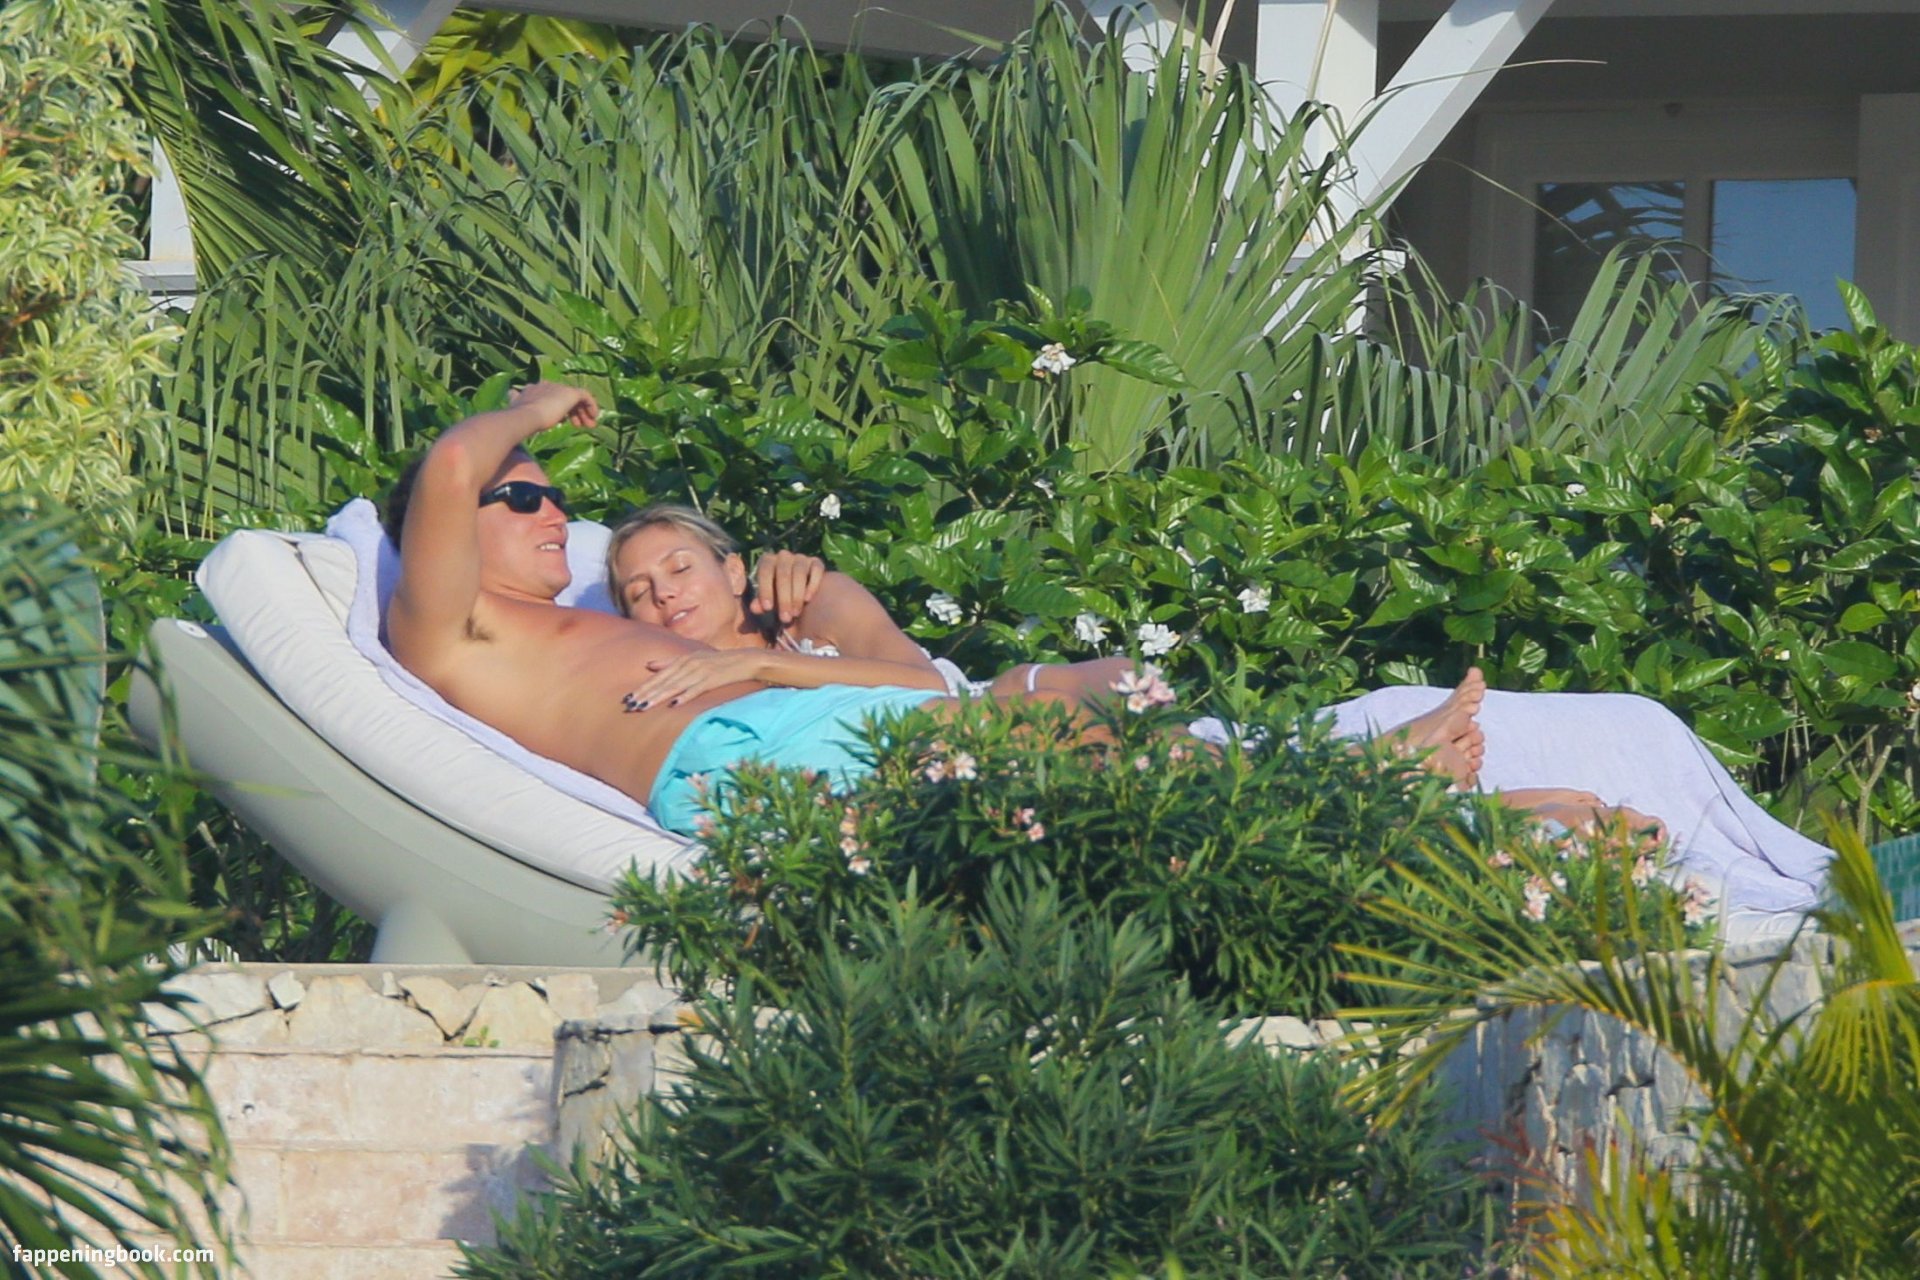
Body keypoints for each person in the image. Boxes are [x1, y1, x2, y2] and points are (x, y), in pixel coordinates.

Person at [382, 382, 1487, 841]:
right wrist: (533, 407)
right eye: (522, 496)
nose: (552, 510)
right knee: (1059, 767)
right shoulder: (454, 627)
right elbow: (446, 471)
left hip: (785, 718)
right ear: (447, 539)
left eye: (554, 495)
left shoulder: (570, 621)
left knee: (1091, 741)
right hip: (739, 755)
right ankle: (1363, 787)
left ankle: (1358, 787)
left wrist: (764, 652)